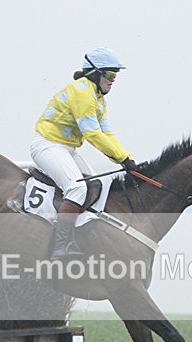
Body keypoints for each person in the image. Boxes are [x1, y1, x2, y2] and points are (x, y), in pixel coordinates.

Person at [30, 47, 138, 260]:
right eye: (109, 74)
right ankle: (60, 248)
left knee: (94, 187)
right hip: (47, 145)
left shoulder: (99, 99)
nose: (113, 80)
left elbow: (107, 133)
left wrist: (128, 158)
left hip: (67, 149)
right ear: (94, 73)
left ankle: (79, 239)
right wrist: (122, 159)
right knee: (77, 188)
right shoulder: (82, 91)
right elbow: (93, 134)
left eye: (115, 76)